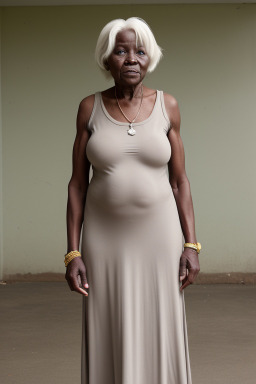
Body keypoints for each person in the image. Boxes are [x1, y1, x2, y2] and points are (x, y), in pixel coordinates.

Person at [65, 17, 201, 384]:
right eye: (121, 51)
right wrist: (73, 253)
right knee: (108, 320)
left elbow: (180, 181)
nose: (131, 59)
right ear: (107, 58)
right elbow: (77, 185)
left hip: (160, 238)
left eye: (140, 51)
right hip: (103, 240)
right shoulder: (88, 108)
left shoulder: (167, 106)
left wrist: (191, 244)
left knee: (161, 322)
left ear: (150, 57)